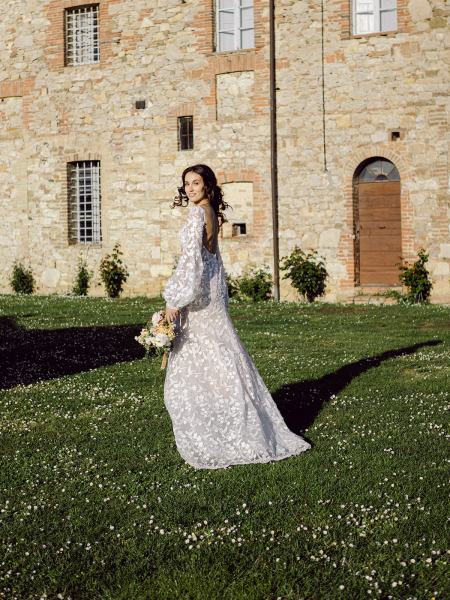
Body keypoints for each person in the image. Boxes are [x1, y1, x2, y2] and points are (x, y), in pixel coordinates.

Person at [162, 164, 311, 469]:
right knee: (222, 350)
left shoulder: (197, 214)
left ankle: (221, 425)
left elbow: (191, 262)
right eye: (186, 184)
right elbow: (211, 257)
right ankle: (237, 412)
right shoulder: (211, 212)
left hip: (200, 292)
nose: (190, 188)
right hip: (212, 289)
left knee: (201, 353)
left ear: (207, 186)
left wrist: (174, 300)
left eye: (196, 183)